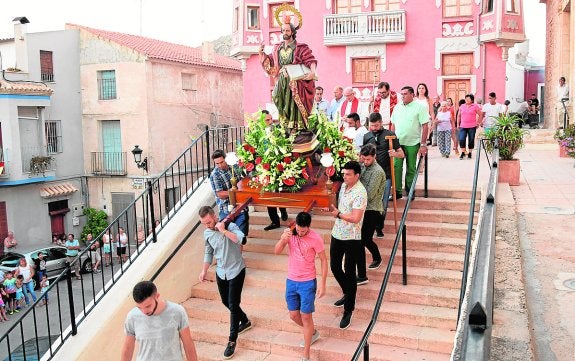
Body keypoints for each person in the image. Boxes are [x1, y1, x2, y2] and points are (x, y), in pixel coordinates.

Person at [198, 206, 252, 359]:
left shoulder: (230, 225)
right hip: (221, 272)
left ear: (214, 216)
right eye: (204, 223)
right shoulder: (207, 233)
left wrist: (223, 231)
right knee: (225, 301)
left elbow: (242, 239)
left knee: (233, 304)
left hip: (236, 270)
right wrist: (204, 270)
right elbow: (208, 252)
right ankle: (245, 320)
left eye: (208, 222)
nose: (207, 226)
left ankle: (232, 341)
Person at [274, 212, 327, 361]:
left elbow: (323, 260)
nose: (301, 233)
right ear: (295, 224)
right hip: (291, 280)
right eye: (299, 229)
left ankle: (306, 354)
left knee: (306, 316)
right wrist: (283, 240)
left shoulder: (315, 238)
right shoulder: (290, 233)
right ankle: (312, 332)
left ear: (309, 227)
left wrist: (322, 284)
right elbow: (276, 251)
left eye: (304, 231)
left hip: (308, 282)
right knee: (293, 315)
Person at [259, 9, 317, 139]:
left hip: (296, 80)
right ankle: (286, 126)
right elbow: (271, 62)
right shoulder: (277, 48)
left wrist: (312, 73)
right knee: (277, 98)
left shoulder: (300, 47)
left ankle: (297, 128)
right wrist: (262, 53)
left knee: (294, 103)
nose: (285, 33)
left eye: (287, 30)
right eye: (283, 30)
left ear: (292, 32)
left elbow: (310, 60)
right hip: (282, 79)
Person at [329, 161, 367, 330]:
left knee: (350, 272)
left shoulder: (360, 192)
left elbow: (356, 218)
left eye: (348, 174)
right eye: (344, 173)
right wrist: (332, 210)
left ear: (357, 176)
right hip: (337, 233)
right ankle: (348, 292)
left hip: (352, 237)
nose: (344, 176)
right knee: (335, 266)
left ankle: (348, 310)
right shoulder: (344, 186)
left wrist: (338, 214)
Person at [121, 281, 198, 361]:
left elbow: (188, 343)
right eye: (139, 307)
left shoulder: (177, 311)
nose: (144, 311)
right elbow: (128, 348)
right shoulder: (132, 316)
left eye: (148, 306)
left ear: (157, 296)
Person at [363, 112, 404, 237]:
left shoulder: (390, 135)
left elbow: (401, 154)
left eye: (376, 125)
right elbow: (362, 154)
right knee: (369, 202)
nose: (374, 128)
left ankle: (379, 227)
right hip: (369, 174)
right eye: (372, 126)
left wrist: (394, 154)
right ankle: (369, 226)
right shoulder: (367, 136)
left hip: (385, 175)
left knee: (383, 203)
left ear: (381, 123)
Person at [390, 86, 429, 199]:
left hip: (413, 142)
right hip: (398, 143)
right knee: (396, 166)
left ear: (412, 94)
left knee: (411, 167)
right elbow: (393, 125)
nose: (402, 96)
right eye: (401, 94)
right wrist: (392, 141)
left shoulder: (419, 107)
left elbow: (425, 126)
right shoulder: (397, 107)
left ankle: (410, 190)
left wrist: (423, 144)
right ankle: (397, 192)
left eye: (405, 94)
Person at [357, 144, 385, 285]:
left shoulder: (378, 172)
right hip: (361, 208)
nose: (366, 162)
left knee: (365, 238)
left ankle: (377, 257)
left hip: (372, 209)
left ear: (374, 156)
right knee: (362, 239)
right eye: (364, 159)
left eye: (368, 159)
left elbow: (370, 194)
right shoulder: (363, 166)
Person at [209, 149, 249, 244]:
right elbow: (219, 194)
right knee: (230, 239)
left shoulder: (234, 166)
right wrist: (233, 192)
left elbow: (243, 179)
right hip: (226, 210)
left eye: (221, 162)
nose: (220, 165)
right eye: (217, 163)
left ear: (225, 159)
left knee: (240, 238)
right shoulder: (215, 175)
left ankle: (238, 257)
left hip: (240, 207)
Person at [261, 111, 289, 231]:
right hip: (264, 167)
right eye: (267, 120)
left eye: (271, 119)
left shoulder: (278, 131)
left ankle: (283, 210)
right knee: (268, 195)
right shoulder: (257, 134)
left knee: (279, 191)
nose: (271, 122)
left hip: (278, 166)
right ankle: (274, 221)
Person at [456, 94, 482, 160]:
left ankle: (470, 153)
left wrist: (478, 123)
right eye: (466, 98)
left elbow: (480, 114)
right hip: (463, 126)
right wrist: (458, 124)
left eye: (468, 98)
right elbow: (458, 116)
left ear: (472, 100)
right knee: (461, 139)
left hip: (472, 126)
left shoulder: (475, 106)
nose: (467, 99)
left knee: (471, 139)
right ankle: (463, 152)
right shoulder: (462, 106)